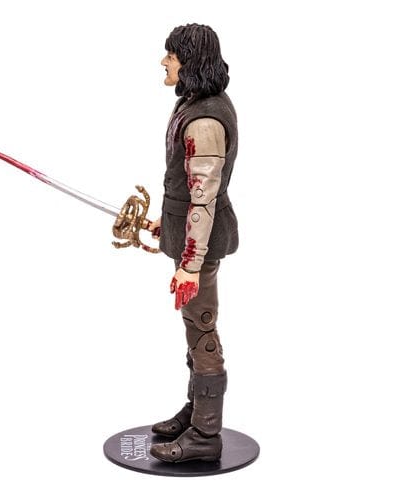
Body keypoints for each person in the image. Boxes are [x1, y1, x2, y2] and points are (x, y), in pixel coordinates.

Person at [148, 23, 238, 463]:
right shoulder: (193, 105)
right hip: (189, 236)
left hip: (200, 247)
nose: (164, 62)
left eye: (171, 55)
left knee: (202, 330)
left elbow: (203, 198)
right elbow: (187, 190)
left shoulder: (204, 120)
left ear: (190, 61)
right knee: (193, 326)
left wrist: (190, 263)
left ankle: (205, 434)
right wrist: (165, 224)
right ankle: (196, 412)